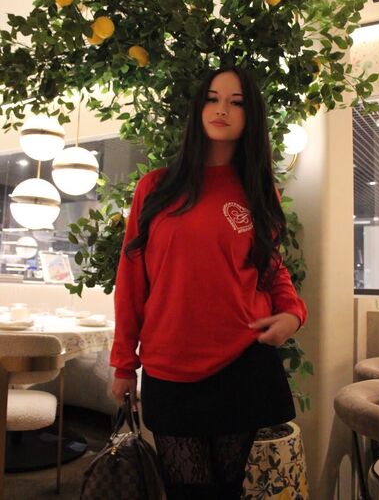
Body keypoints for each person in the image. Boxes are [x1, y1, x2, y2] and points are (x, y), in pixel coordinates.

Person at [110, 66, 307, 500]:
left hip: (242, 362)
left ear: (250, 117)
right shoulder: (156, 187)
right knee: (185, 492)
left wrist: (294, 313)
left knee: (227, 490)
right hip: (170, 364)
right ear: (199, 108)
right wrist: (124, 363)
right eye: (213, 99)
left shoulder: (260, 191)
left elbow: (272, 268)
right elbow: (131, 278)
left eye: (236, 102)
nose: (222, 110)